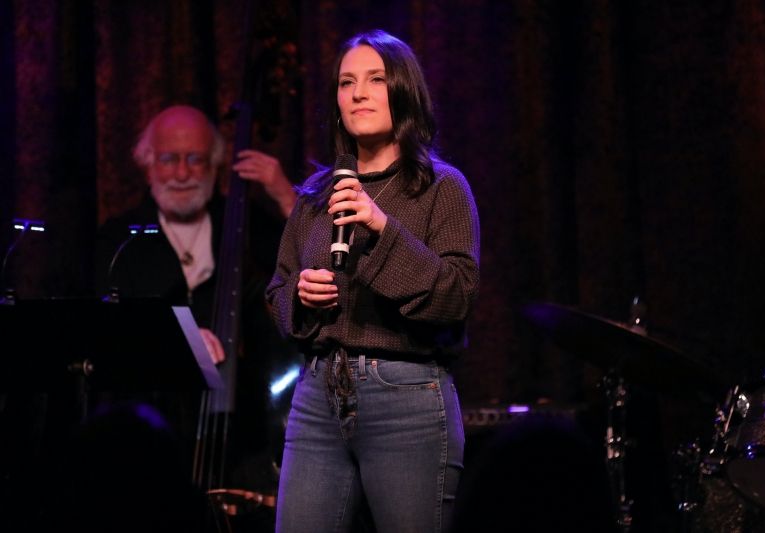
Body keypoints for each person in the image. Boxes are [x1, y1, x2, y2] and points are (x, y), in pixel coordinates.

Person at [265, 29, 480, 533]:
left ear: (403, 90)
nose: (357, 93)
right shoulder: (318, 195)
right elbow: (275, 291)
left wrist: (382, 229)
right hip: (318, 395)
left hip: (406, 397)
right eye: (345, 82)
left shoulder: (441, 187)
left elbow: (456, 297)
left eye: (375, 79)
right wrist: (299, 295)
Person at [93, 104, 299, 512]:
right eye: (169, 159)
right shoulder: (118, 240)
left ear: (217, 164)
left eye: (196, 159)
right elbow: (104, 331)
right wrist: (177, 337)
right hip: (147, 445)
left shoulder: (248, 224)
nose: (183, 173)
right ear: (147, 163)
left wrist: (286, 197)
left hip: (244, 440)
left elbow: (310, 267)